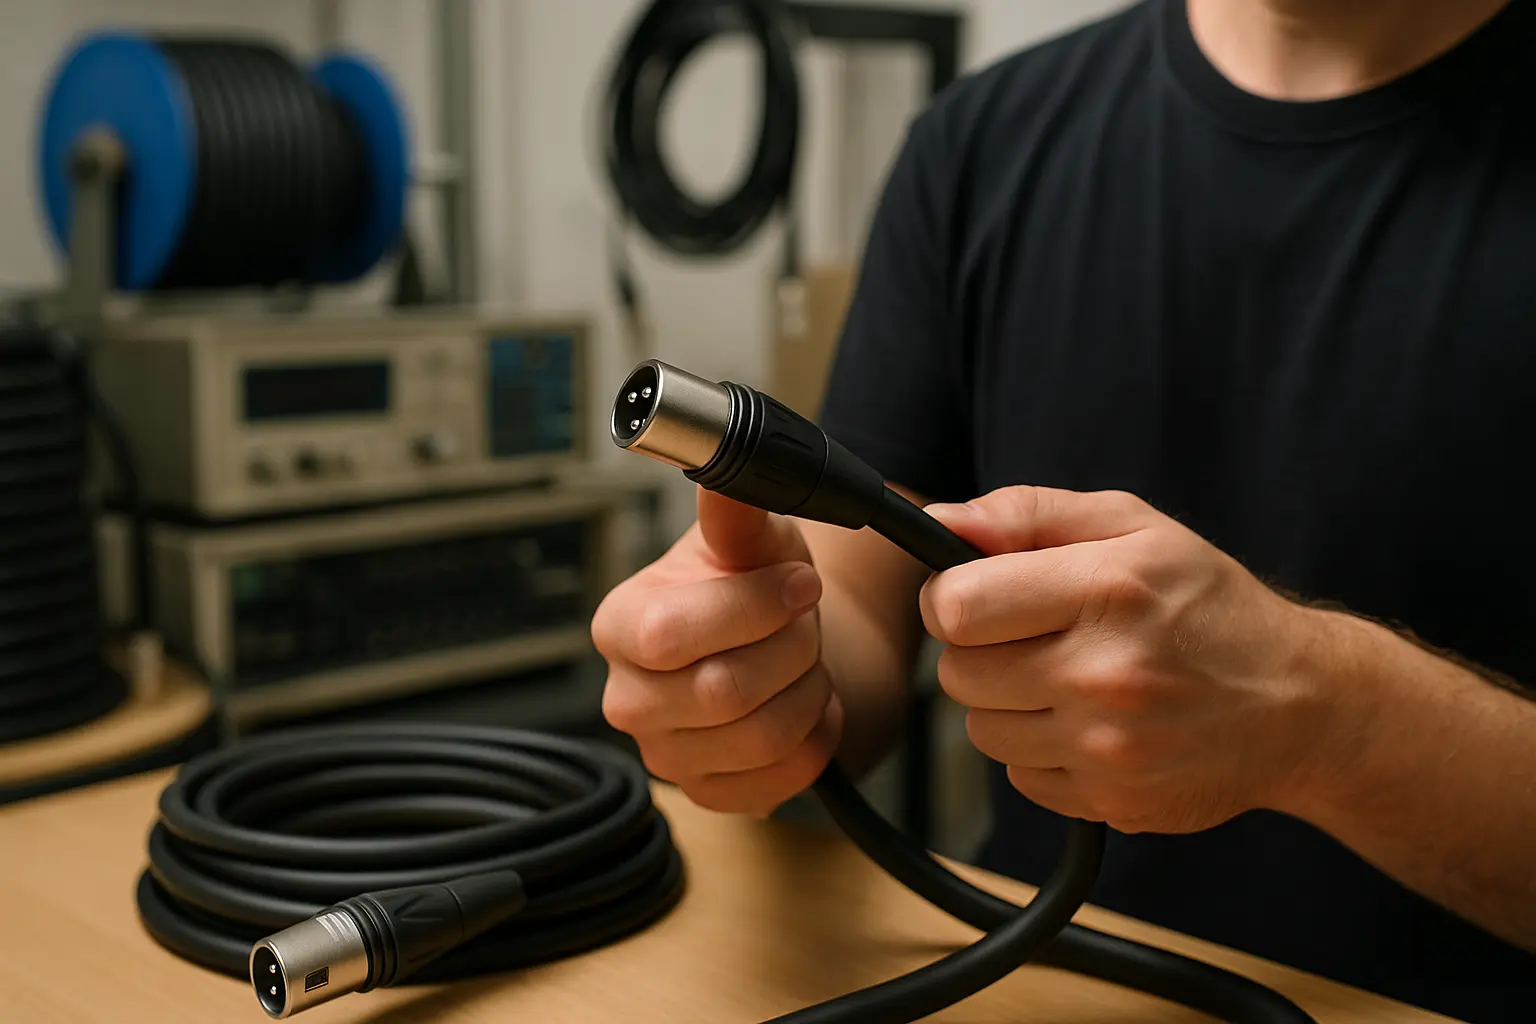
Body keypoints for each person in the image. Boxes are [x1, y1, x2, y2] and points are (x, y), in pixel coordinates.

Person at [591, 1, 1536, 1020]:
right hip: (1035, 988)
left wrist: (1326, 715)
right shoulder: (982, 143)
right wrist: (754, 664)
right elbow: (854, 608)